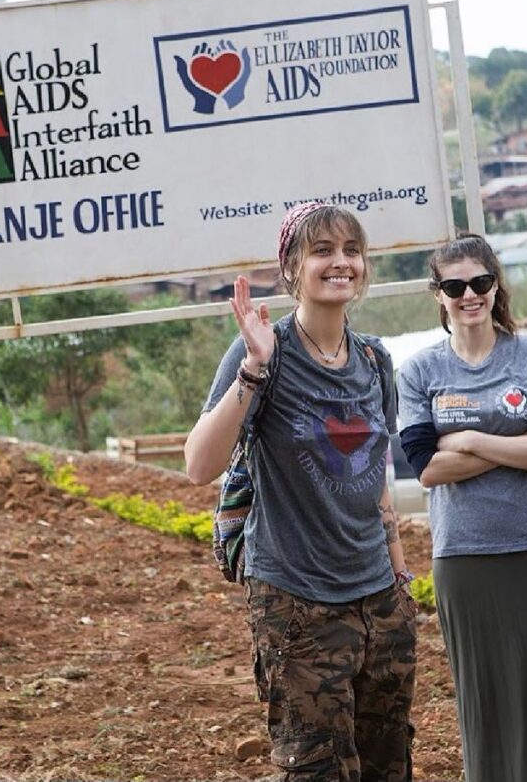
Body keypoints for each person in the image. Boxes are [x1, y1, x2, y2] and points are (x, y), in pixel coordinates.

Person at [185, 202, 417, 781]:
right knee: (316, 769)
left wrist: (399, 578)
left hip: (379, 601)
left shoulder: (373, 359)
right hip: (297, 603)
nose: (341, 263)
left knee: (389, 763)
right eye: (322, 251)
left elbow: (376, 472)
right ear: (291, 268)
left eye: (351, 251)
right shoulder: (263, 351)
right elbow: (198, 464)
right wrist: (254, 370)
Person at [395, 233, 527, 782]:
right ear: (438, 294)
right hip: (463, 558)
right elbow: (425, 468)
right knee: (485, 692)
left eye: (481, 282)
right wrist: (516, 443)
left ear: (495, 286)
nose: (470, 295)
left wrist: (466, 438)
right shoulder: (420, 372)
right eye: (455, 285)